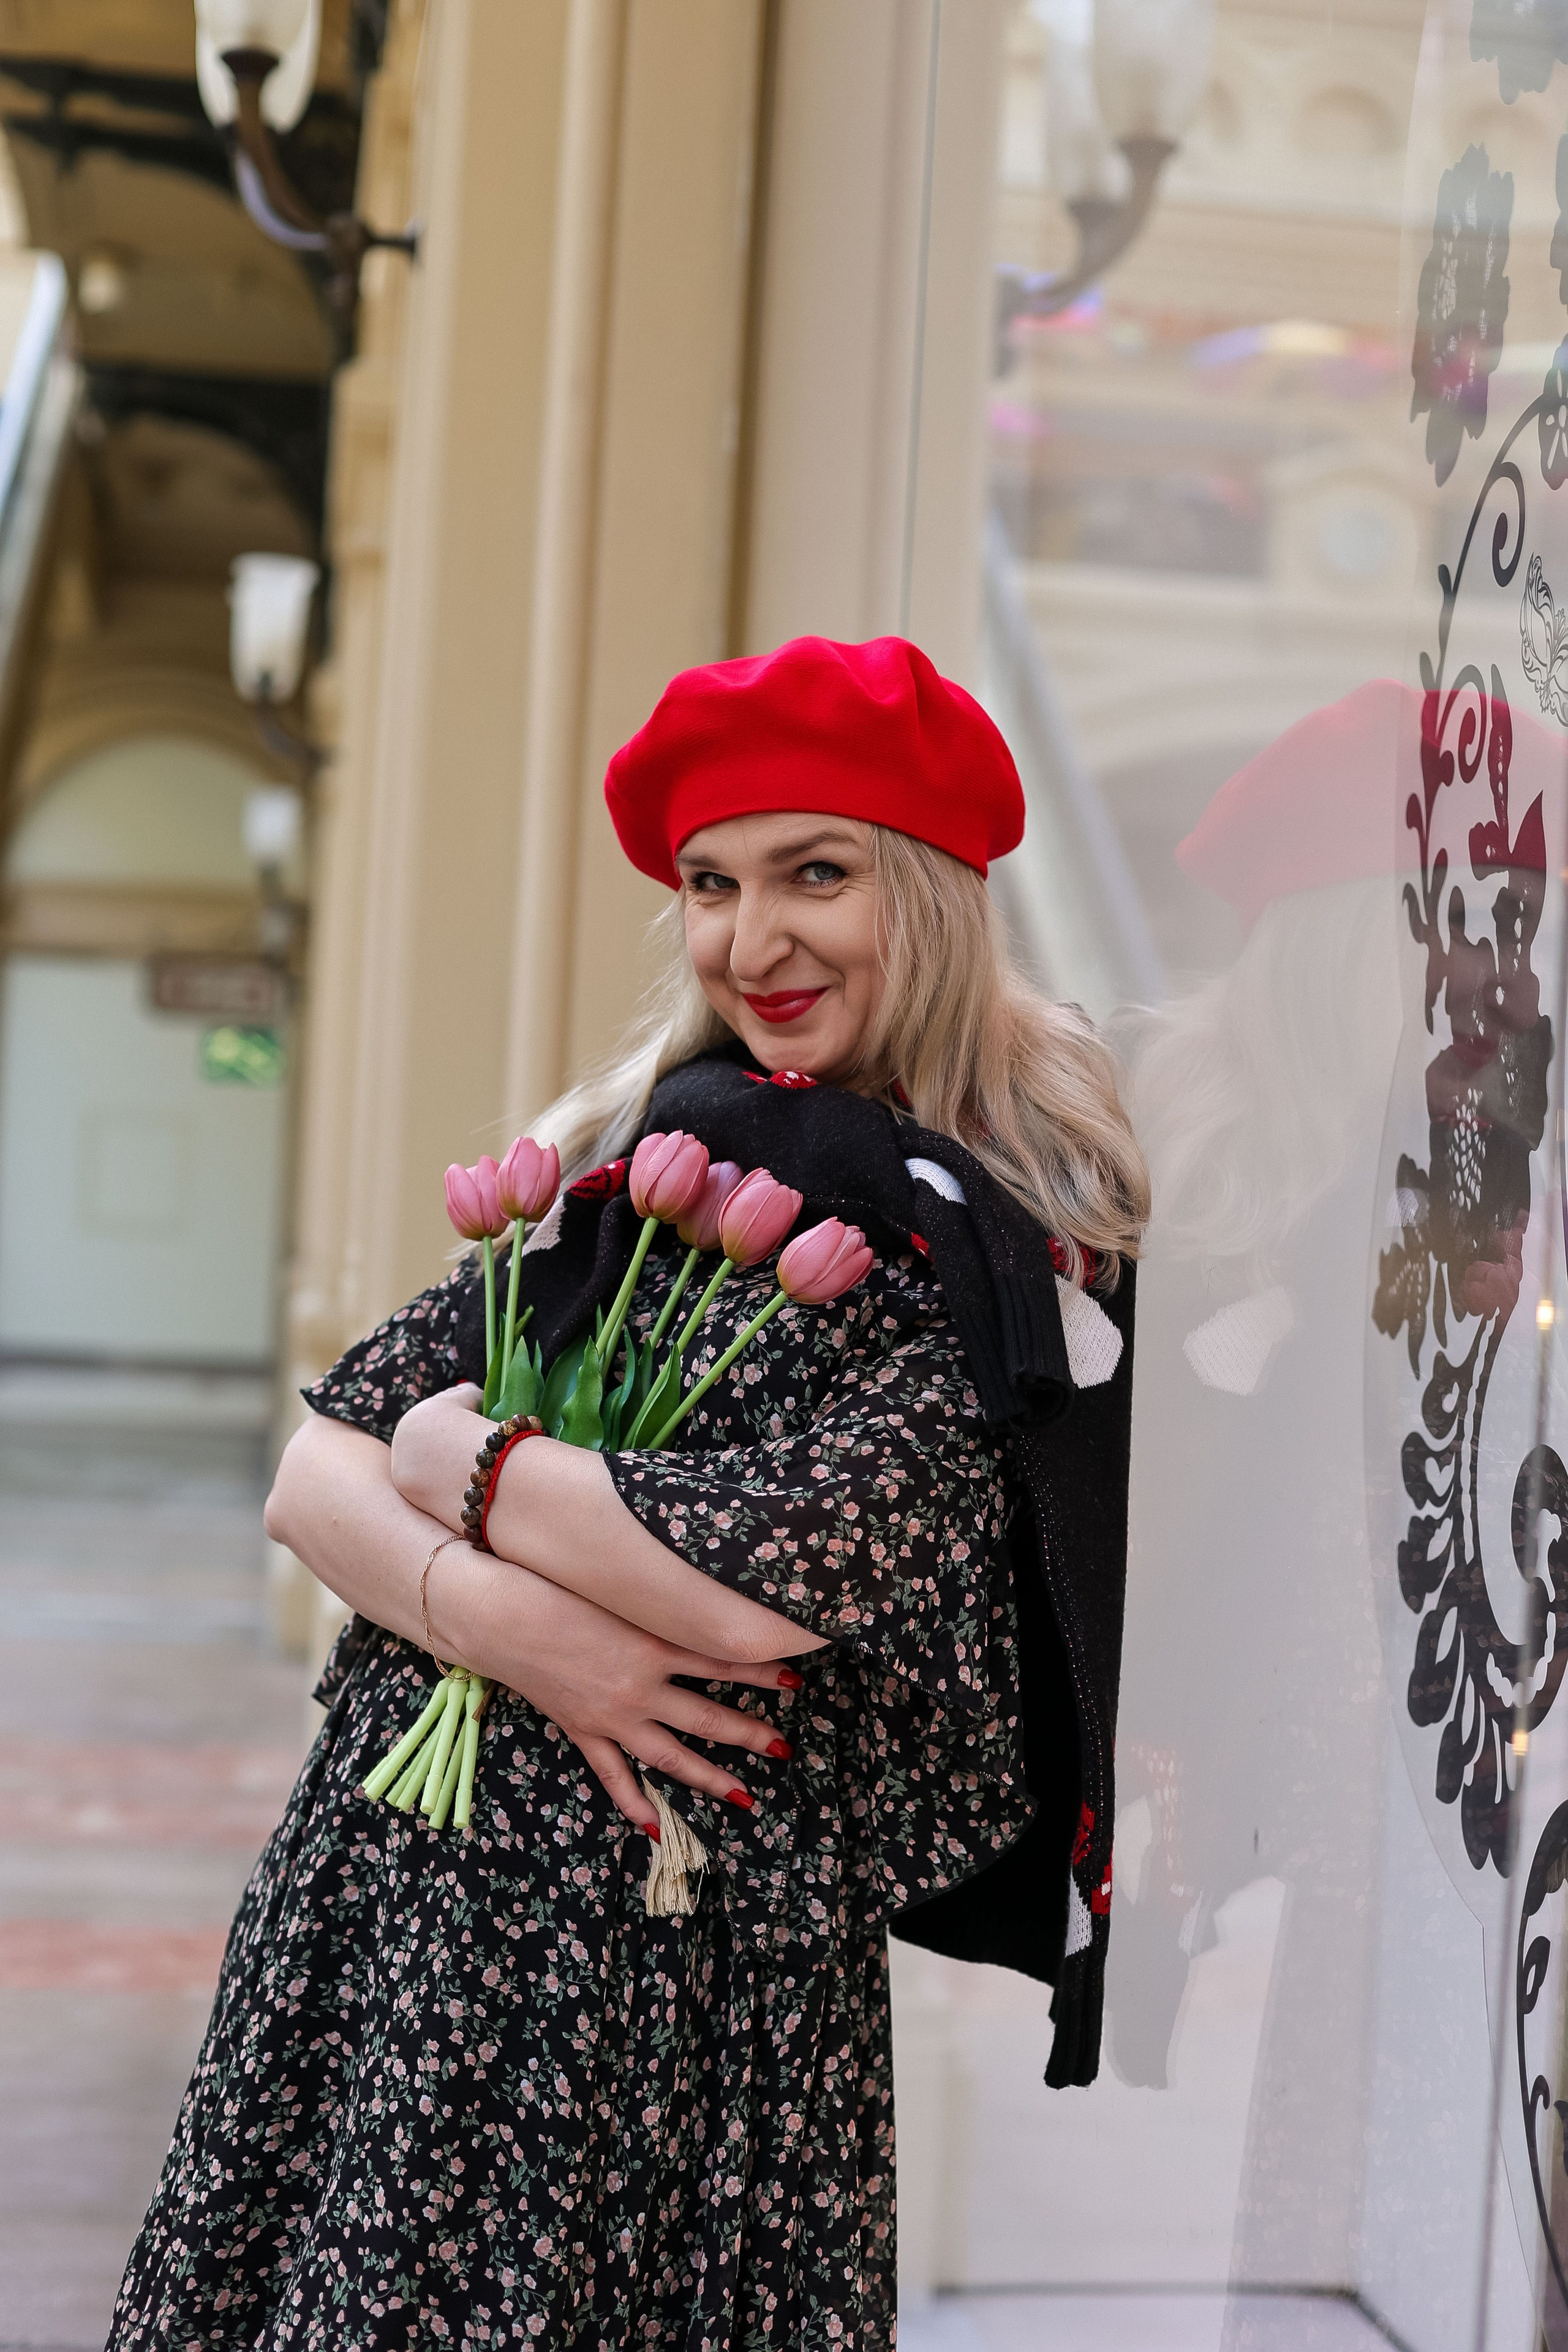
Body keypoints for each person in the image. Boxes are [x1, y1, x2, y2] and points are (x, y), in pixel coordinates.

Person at [108, 635, 1148, 2351]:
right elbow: (314, 1477)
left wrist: (469, 1460)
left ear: (940, 895)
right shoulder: (655, 1150)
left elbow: (758, 1579)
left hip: (691, 1986)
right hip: (403, 1906)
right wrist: (535, 1636)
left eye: (821, 874)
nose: (757, 941)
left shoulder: (995, 1232)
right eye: (715, 885)